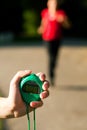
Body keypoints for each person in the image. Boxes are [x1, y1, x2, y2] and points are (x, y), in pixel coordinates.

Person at [38, 0, 71, 86]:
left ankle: (52, 72)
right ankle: (51, 75)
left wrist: (63, 21)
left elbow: (68, 26)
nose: (54, 5)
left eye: (56, 3)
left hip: (57, 39)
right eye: (52, 3)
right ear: (48, 4)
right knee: (51, 56)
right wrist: (40, 29)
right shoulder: (45, 13)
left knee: (55, 57)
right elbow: (43, 25)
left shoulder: (61, 13)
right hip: (47, 39)